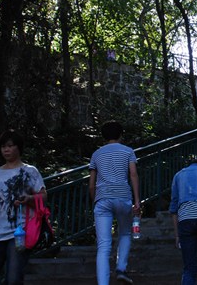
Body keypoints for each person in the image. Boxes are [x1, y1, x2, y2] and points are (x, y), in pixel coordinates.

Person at [0, 130, 47, 285]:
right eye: (3, 147)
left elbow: (43, 196)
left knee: (14, 279)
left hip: (19, 234)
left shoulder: (30, 171)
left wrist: (30, 198)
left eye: (10, 146)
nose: (6, 150)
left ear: (18, 148)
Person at [89, 121, 141, 285]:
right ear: (120, 135)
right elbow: (133, 174)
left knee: (103, 245)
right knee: (125, 233)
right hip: (123, 197)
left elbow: (91, 184)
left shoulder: (96, 154)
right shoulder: (128, 151)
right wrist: (137, 201)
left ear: (104, 136)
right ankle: (121, 269)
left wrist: (95, 201)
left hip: (102, 199)